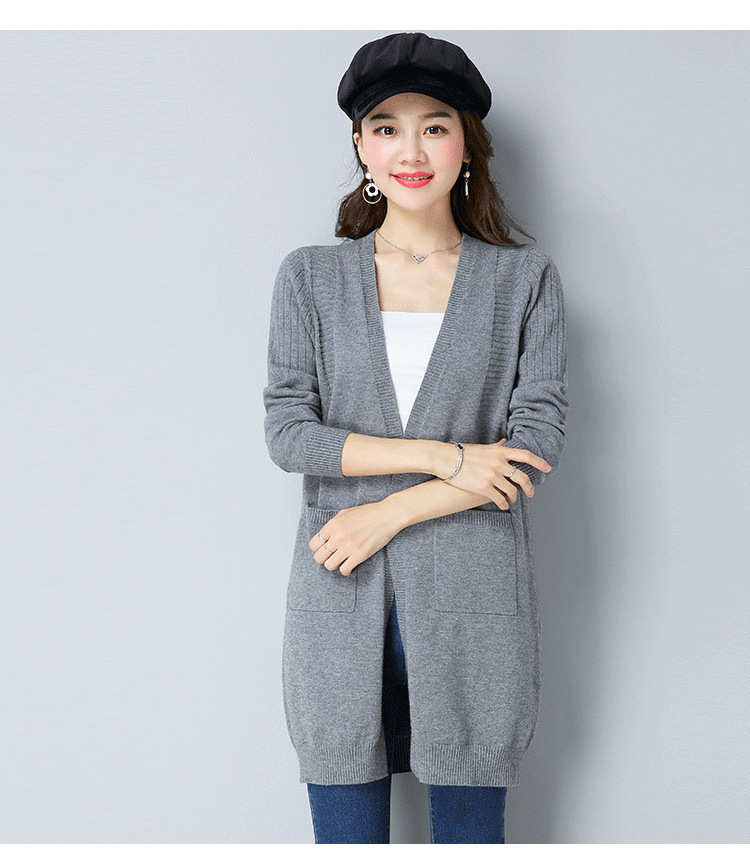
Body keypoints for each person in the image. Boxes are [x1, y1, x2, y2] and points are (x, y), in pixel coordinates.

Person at [262, 32, 569, 844]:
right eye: (387, 126)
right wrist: (444, 457)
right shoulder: (310, 279)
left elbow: (534, 446)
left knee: (470, 837)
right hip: (339, 596)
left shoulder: (522, 280)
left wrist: (389, 511)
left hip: (475, 603)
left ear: (467, 144)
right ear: (361, 146)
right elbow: (289, 432)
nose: (411, 149)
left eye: (435, 125)